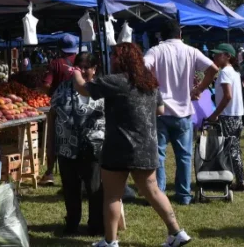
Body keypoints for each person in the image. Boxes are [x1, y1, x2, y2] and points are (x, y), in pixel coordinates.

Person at [74, 43, 191, 247]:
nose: (110, 59)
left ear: (122, 59)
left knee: (112, 195)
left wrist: (75, 73)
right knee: (154, 191)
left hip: (118, 148)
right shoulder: (149, 83)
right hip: (146, 147)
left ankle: (110, 242)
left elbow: (84, 90)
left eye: (113, 56)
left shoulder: (115, 81)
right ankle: (177, 232)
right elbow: (160, 110)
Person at [144, 20, 219, 205]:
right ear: (180, 34)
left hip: (160, 111)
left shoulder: (155, 51)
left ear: (161, 35)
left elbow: (143, 67)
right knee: (184, 157)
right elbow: (213, 69)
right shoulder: (191, 51)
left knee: (158, 156)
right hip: (184, 111)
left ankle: (158, 194)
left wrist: (151, 87)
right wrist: (199, 89)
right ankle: (184, 195)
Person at [49, 52, 106, 236]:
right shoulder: (64, 87)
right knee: (70, 188)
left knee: (94, 188)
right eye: (78, 67)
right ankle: (72, 223)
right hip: (67, 147)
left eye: (86, 68)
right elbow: (53, 111)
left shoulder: (100, 89)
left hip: (93, 147)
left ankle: (96, 225)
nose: (81, 71)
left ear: (94, 69)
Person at [206, 44, 244, 193]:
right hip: (236, 115)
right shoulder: (234, 72)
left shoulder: (224, 72)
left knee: (230, 151)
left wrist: (215, 114)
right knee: (234, 149)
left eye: (218, 55)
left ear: (228, 56)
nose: (215, 57)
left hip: (227, 115)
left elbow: (227, 96)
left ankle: (238, 181)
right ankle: (240, 180)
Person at [40, 34, 81, 185]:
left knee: (53, 139)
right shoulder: (82, 61)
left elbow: (46, 85)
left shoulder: (56, 64)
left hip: (60, 107)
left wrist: (50, 93)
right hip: (81, 106)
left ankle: (49, 172)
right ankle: (79, 171)